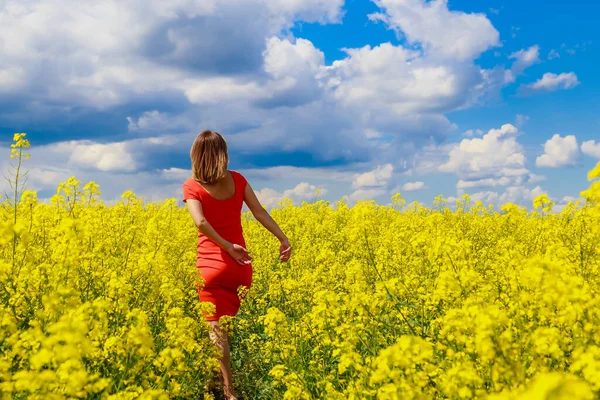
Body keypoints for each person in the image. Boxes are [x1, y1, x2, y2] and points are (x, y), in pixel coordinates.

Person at [182, 130, 292, 399]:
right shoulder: (238, 180)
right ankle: (218, 380)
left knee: (216, 331)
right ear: (224, 153)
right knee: (225, 332)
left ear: (195, 155)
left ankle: (229, 392)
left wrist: (225, 246)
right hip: (240, 267)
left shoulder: (192, 186)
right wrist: (283, 238)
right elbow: (259, 212)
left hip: (211, 265)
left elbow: (200, 222)